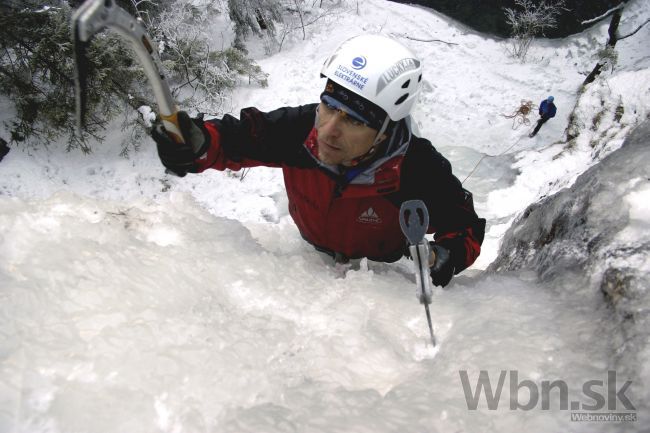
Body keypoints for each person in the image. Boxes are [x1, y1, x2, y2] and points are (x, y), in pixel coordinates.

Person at [151, 34, 485, 288]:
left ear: (385, 130)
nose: (328, 130)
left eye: (354, 120)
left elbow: (466, 226)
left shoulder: (416, 169)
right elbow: (235, 139)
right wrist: (197, 145)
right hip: (309, 259)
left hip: (379, 279)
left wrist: (444, 257)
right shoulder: (299, 131)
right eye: (328, 106)